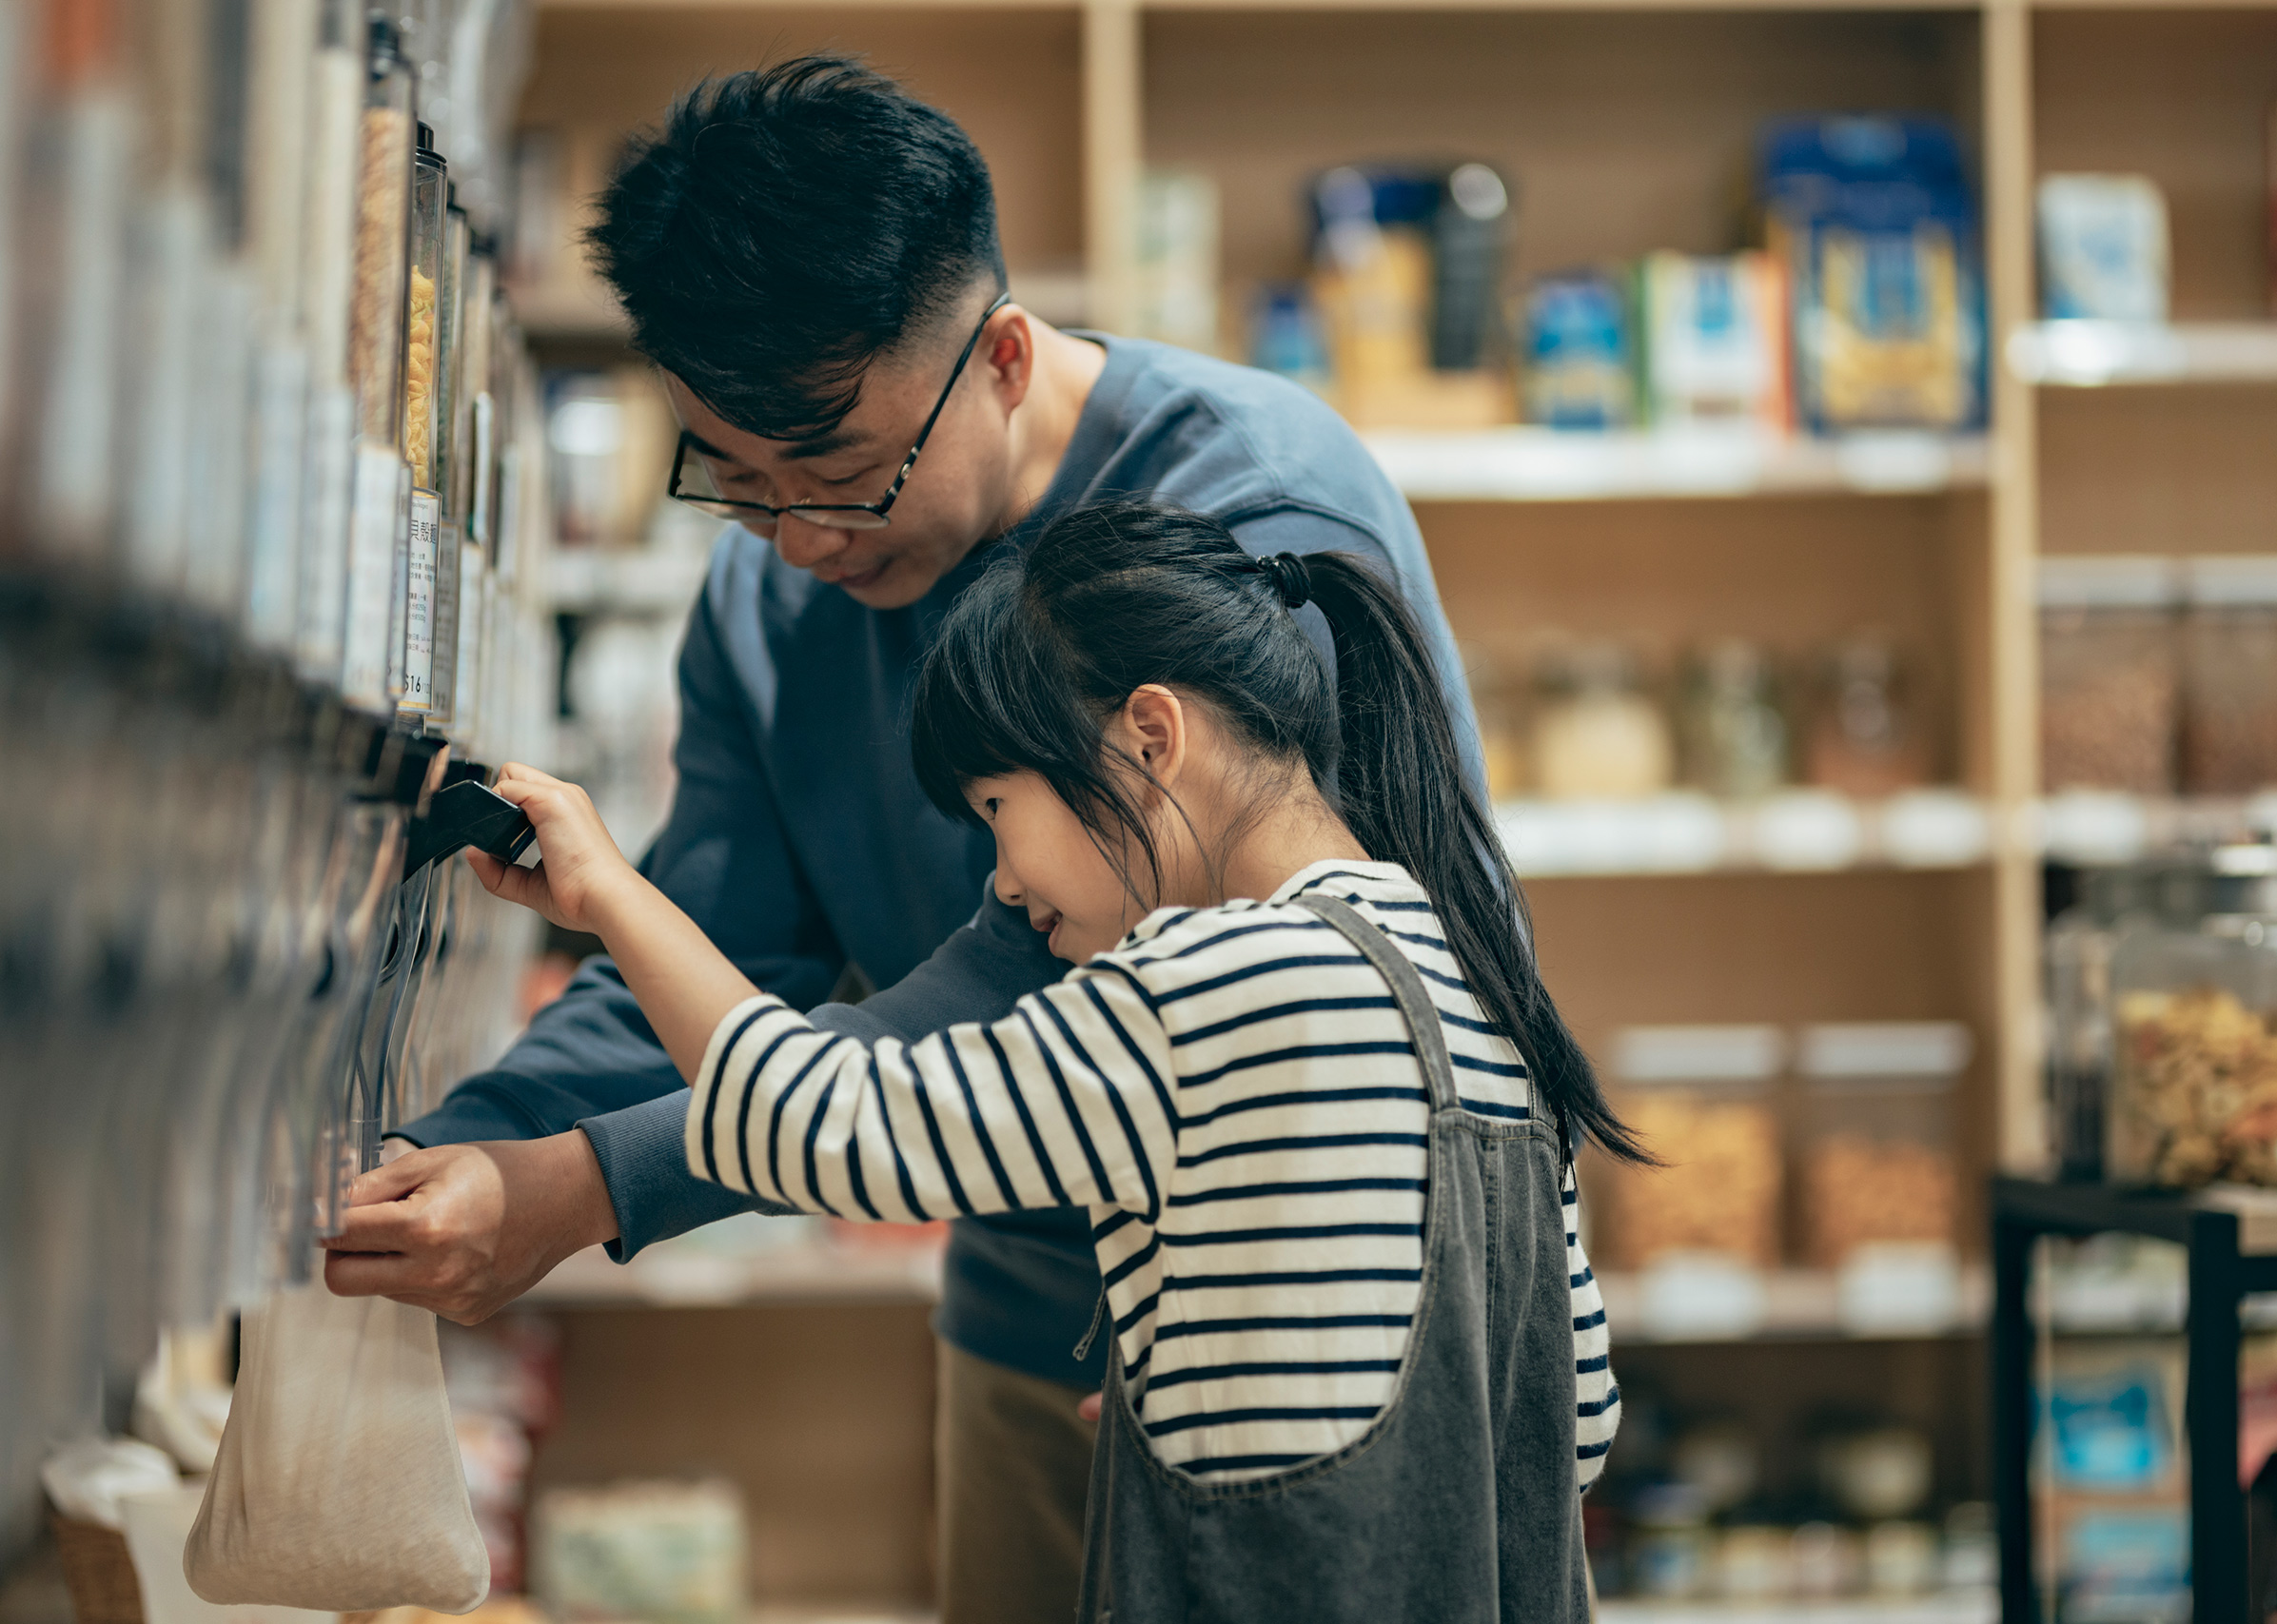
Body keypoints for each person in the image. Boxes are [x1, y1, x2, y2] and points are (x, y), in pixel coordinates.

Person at [321, 56, 1481, 1624]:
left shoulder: (1240, 518)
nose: (798, 539)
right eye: (735, 478)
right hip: (1027, 1321)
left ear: (1000, 356)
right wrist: (466, 1148)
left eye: (844, 476)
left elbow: (1023, 992)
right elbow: (717, 952)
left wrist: (582, 1184)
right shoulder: (765, 604)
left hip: (1320, 1330)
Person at [395, 500, 1638, 1620]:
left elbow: (826, 1123)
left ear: (1150, 737)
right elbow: (1574, 1416)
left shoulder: (1207, 983)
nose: (1000, 878)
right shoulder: (1466, 968)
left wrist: (611, 891)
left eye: (999, 807)